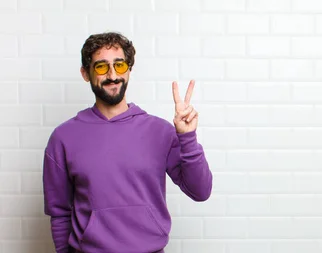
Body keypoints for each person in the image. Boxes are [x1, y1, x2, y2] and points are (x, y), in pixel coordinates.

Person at [42, 32, 213, 253]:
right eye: (101, 67)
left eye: (120, 66)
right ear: (86, 73)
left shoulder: (160, 132)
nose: (112, 75)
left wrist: (188, 137)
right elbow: (60, 213)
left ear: (129, 70)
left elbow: (200, 191)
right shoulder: (64, 137)